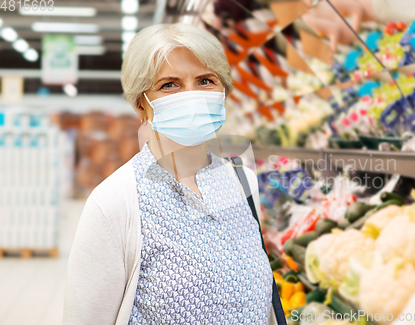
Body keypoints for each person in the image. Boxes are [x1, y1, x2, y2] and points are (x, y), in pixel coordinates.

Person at [63, 23, 282, 325]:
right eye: (170, 84)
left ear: (224, 92)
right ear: (142, 105)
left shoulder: (243, 183)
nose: (191, 96)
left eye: (206, 80)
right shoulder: (114, 203)